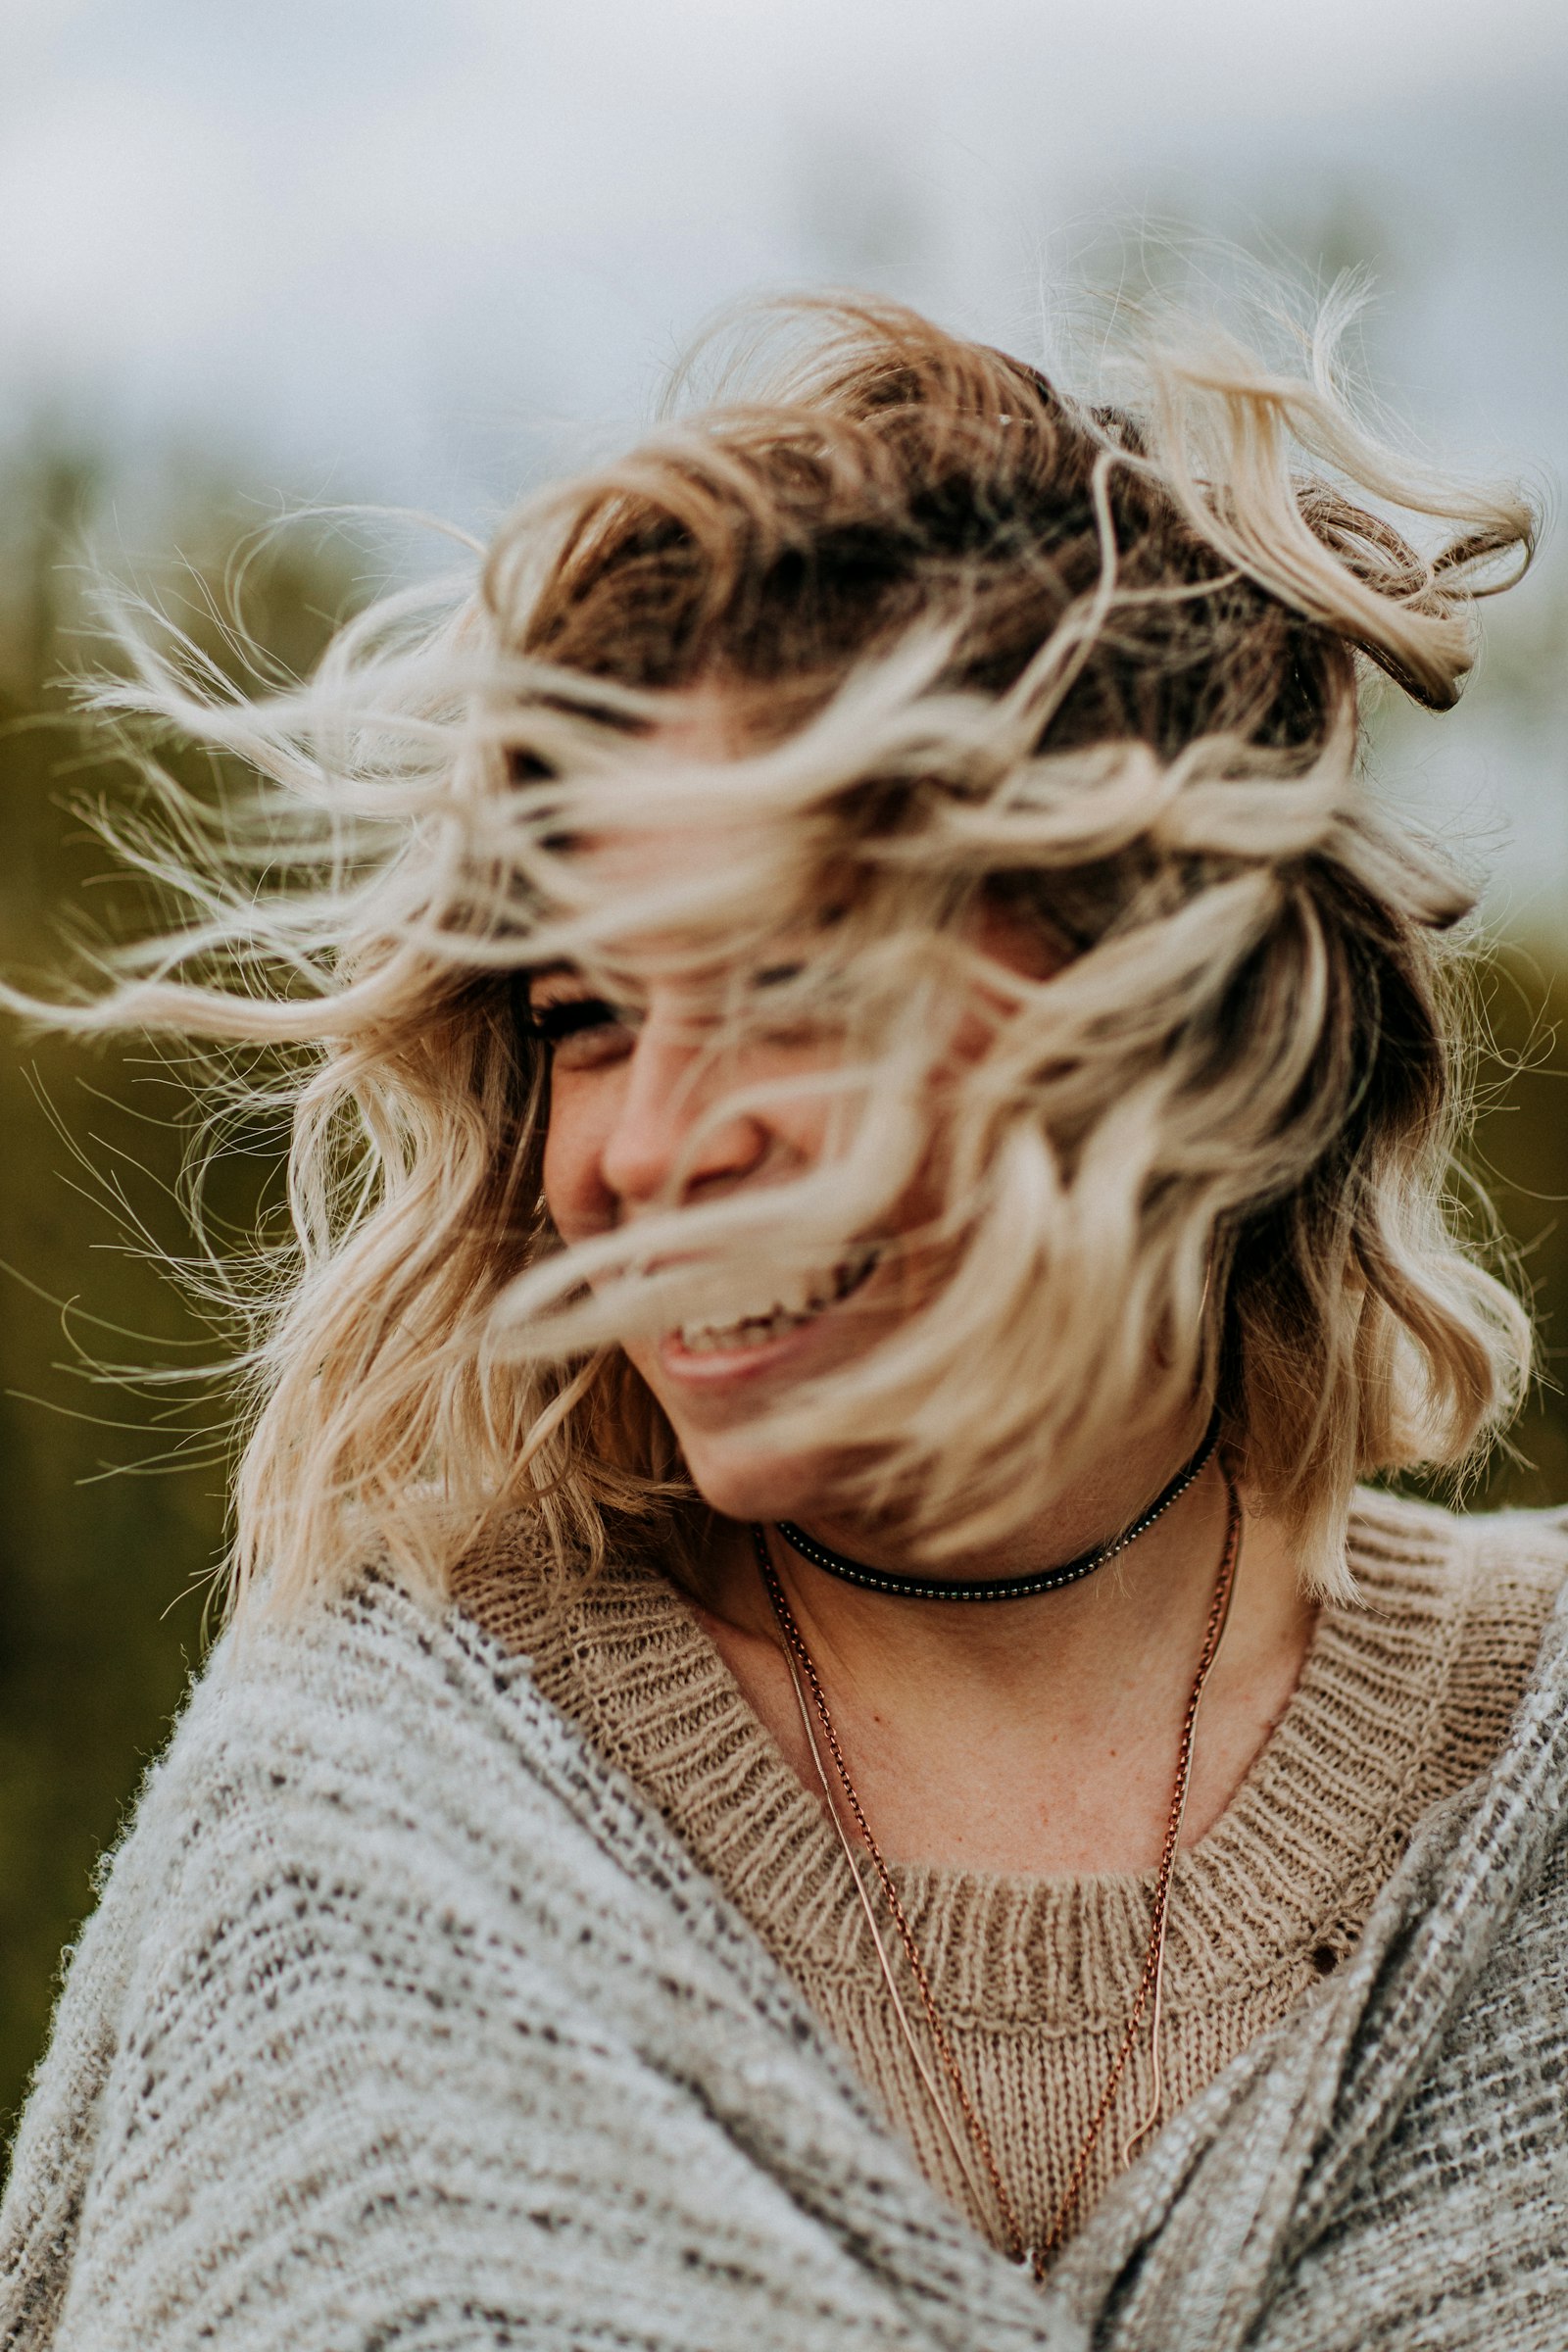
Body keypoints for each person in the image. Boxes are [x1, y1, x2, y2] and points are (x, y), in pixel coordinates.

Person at [2, 290, 1565, 2352]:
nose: (642, 1152)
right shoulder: (375, 1828)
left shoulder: (1523, 1793)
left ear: (1167, 1000)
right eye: (584, 1018)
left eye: (781, 989)